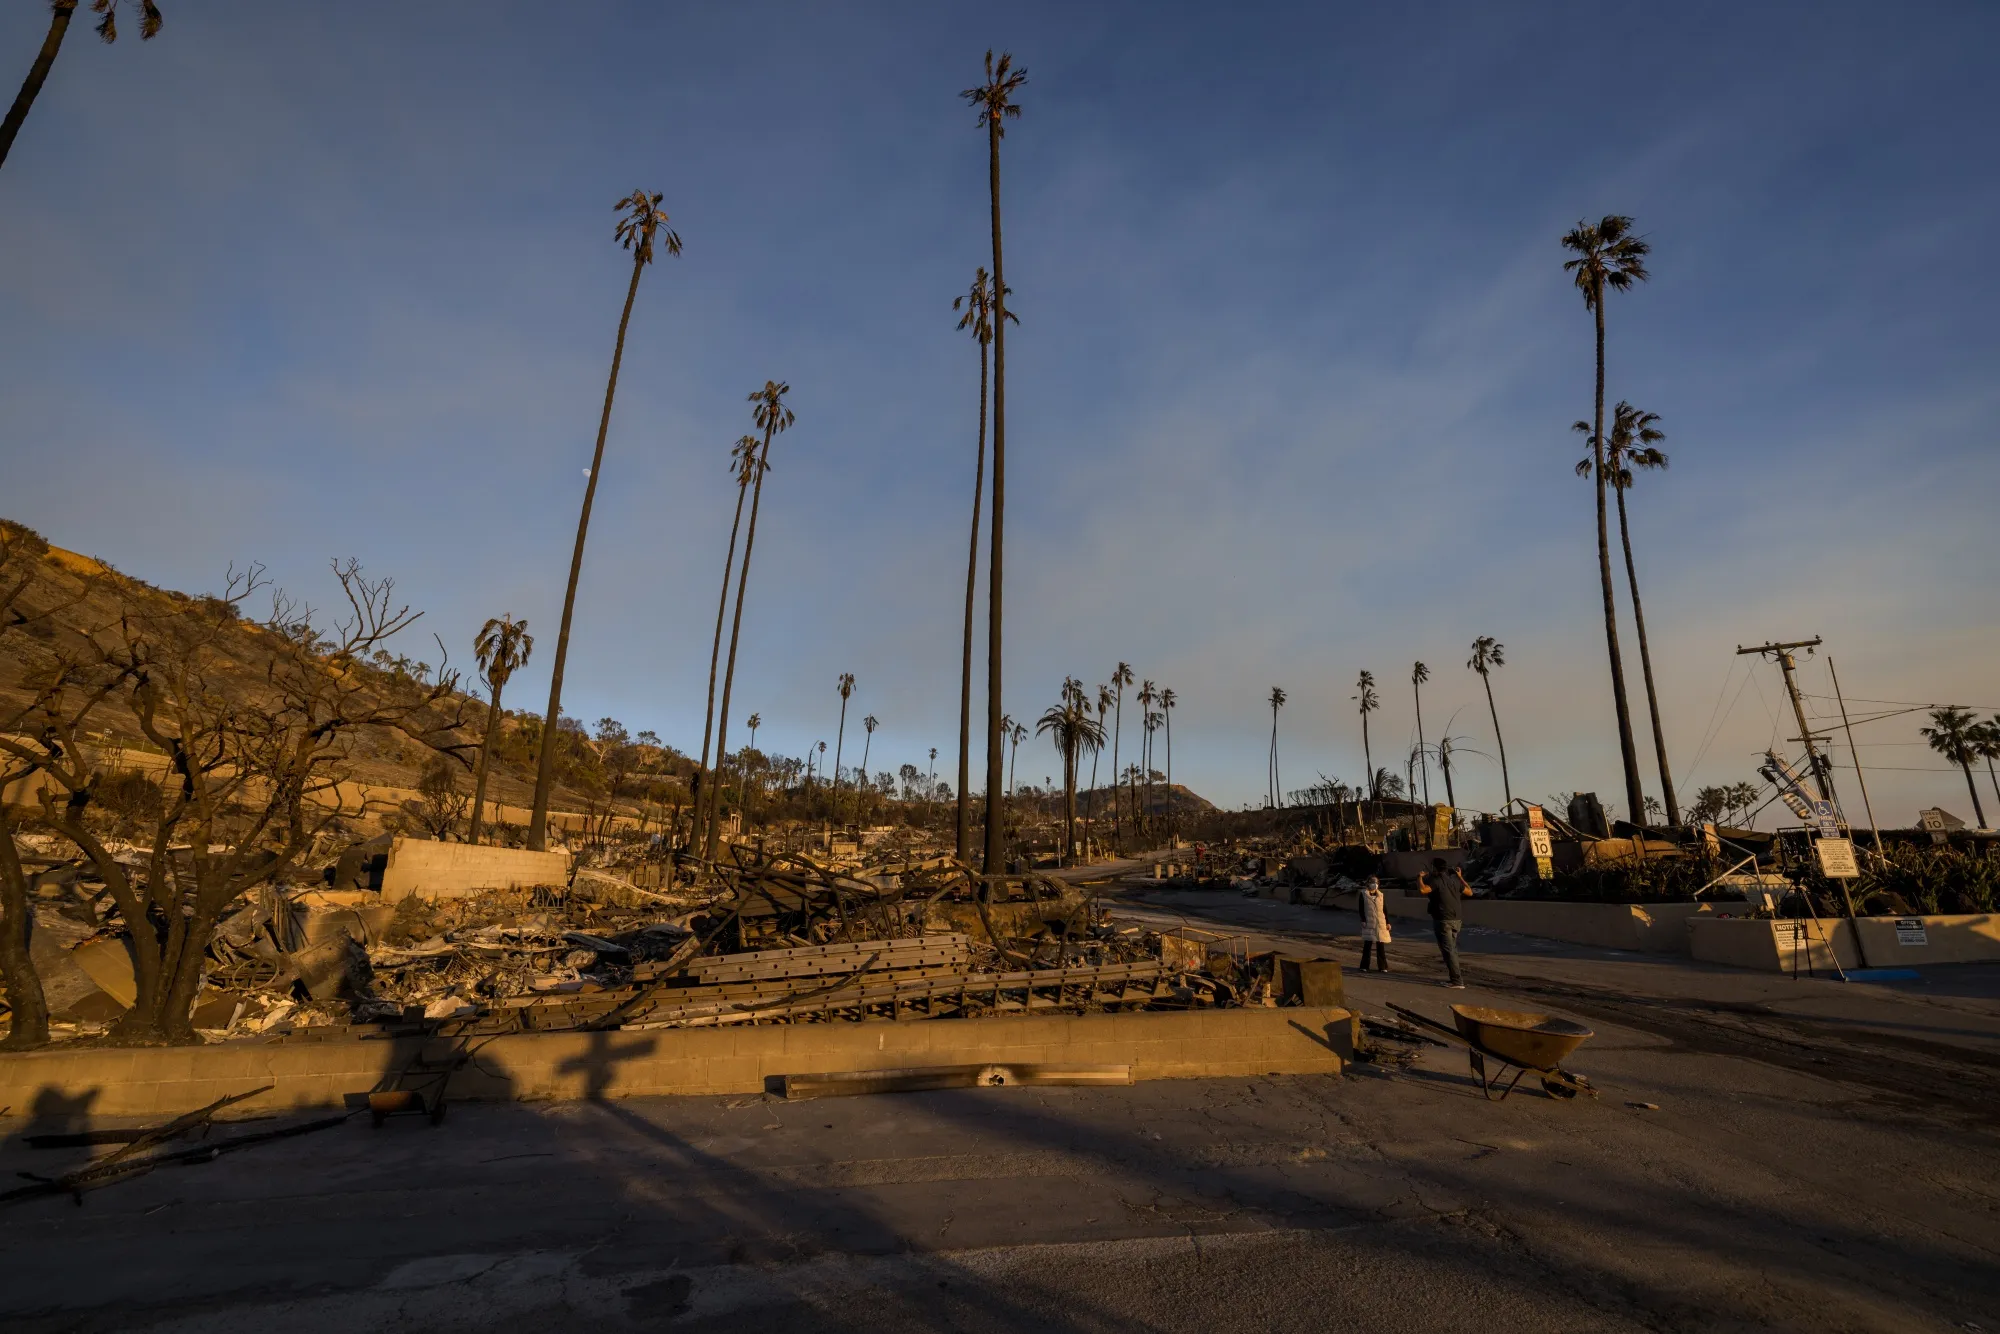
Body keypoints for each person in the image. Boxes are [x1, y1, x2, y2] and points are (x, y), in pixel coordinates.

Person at [1417, 856, 1472, 988]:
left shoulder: (1436, 881)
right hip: (1456, 919)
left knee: (1449, 951)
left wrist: (1419, 877)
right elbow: (1470, 892)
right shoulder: (1455, 880)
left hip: (1443, 919)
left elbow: (1423, 890)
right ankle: (1455, 978)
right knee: (1452, 949)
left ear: (1434, 868)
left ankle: (1457, 981)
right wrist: (1460, 877)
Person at [1357, 876, 1391, 972]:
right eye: (1372, 882)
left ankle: (1383, 966)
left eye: (1376, 882)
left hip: (1380, 922)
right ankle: (1364, 966)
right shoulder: (1363, 894)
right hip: (1369, 922)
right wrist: (1363, 920)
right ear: (1368, 883)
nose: (1374, 884)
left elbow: (1385, 909)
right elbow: (1361, 909)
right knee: (1367, 944)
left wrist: (1387, 922)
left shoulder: (1380, 895)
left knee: (1380, 945)